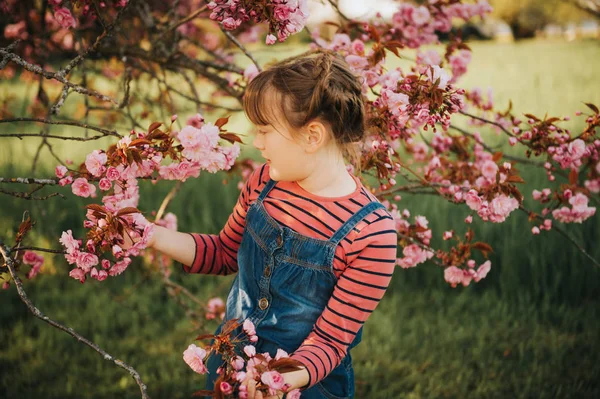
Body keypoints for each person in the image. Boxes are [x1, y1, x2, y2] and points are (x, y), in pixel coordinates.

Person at [147, 50, 398, 398]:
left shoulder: (371, 234)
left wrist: (276, 382)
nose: (256, 142)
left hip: (304, 384)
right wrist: (151, 235)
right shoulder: (264, 181)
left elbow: (329, 341)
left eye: (265, 130)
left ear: (312, 136)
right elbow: (222, 252)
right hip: (231, 366)